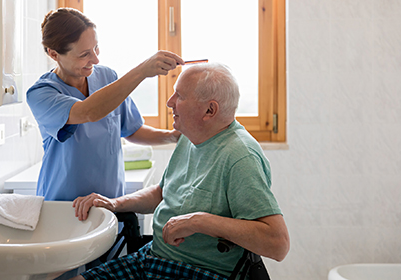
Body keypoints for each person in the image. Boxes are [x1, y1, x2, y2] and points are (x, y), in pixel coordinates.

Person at [71, 63, 290, 280]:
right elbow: (161, 193)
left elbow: (278, 244)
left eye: (180, 96)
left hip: (199, 271)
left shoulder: (240, 157)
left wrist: (199, 221)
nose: (169, 102)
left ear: (209, 110)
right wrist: (115, 203)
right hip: (153, 258)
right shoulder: (190, 136)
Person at [27, 8, 184, 202]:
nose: (95, 59)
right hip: (63, 207)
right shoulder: (42, 93)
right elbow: (88, 112)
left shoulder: (108, 77)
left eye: (96, 48)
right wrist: (143, 70)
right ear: (53, 54)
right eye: (84, 54)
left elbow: (131, 130)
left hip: (110, 203)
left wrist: (172, 137)